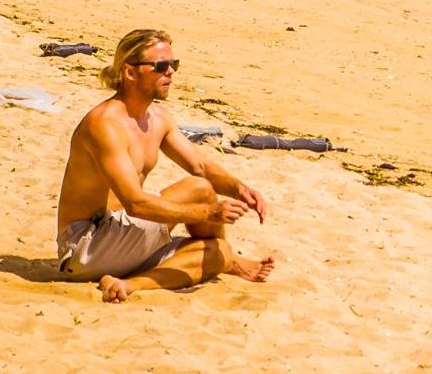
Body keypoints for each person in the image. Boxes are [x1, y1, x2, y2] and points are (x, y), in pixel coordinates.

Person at [54, 28, 276, 301]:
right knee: (200, 191)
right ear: (130, 72)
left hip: (122, 237)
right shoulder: (105, 123)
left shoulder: (157, 117)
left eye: (174, 65)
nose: (170, 72)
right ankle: (228, 261)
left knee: (214, 249)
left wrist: (240, 189)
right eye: (160, 66)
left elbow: (200, 166)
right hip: (87, 244)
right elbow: (135, 203)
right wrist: (208, 213)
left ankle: (131, 284)